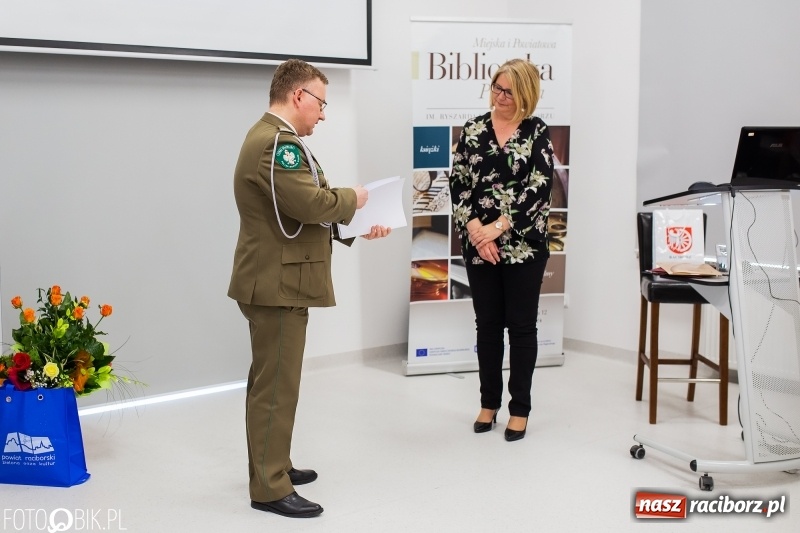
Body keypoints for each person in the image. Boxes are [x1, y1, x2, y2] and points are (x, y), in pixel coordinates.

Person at [228, 59, 390, 518]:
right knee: (276, 386)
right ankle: (269, 486)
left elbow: (302, 214)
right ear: (298, 95)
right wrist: (354, 199)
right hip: (276, 283)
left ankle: (273, 464)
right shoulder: (277, 145)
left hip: (275, 278)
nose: (323, 113)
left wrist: (356, 222)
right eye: (320, 102)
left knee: (272, 381)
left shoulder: (276, 140)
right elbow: (309, 202)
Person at [449, 58, 554, 443]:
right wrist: (477, 230)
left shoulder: (537, 131)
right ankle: (488, 403)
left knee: (522, 327)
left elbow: (538, 189)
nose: (500, 96)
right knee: (488, 326)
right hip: (480, 247)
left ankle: (520, 409)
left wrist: (497, 227)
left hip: (524, 245)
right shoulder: (474, 129)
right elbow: (459, 184)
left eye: (509, 91)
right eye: (496, 87)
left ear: (525, 94)